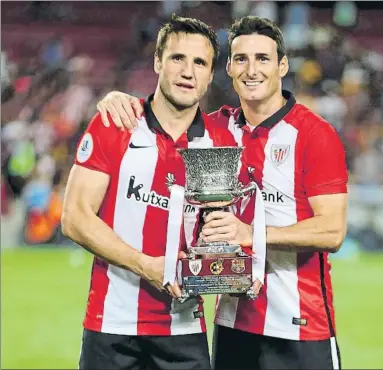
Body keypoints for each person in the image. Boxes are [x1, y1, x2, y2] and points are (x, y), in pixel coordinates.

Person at [96, 16, 348, 370]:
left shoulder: (315, 135)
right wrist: (119, 100)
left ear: (283, 66)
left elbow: (332, 231)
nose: (252, 69)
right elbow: (164, 113)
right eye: (241, 58)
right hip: (232, 324)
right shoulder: (215, 129)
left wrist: (251, 234)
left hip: (301, 328)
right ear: (227, 67)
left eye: (263, 58)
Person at [61, 15, 238, 370]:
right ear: (157, 62)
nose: (188, 71)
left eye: (200, 62)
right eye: (177, 58)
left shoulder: (220, 141)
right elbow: (75, 218)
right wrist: (145, 264)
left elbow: (216, 233)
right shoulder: (117, 122)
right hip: (111, 328)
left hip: (184, 330)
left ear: (210, 74)